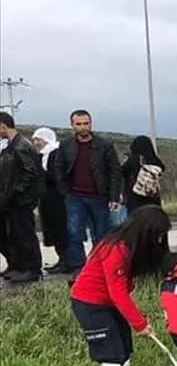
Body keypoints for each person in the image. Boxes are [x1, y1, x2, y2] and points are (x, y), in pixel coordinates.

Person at [69, 206, 172, 366]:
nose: (160, 239)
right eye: (158, 234)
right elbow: (117, 293)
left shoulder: (130, 248)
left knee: (123, 349)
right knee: (111, 355)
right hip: (90, 305)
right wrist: (140, 324)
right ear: (146, 231)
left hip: (107, 304)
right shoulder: (116, 248)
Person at [54, 110, 123, 276]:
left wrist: (114, 196)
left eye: (86, 123)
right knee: (74, 234)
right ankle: (79, 268)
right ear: (72, 125)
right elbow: (58, 167)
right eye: (79, 124)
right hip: (74, 197)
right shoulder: (66, 145)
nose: (83, 127)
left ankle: (99, 268)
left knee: (101, 235)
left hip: (99, 196)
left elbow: (115, 171)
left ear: (91, 124)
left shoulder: (104, 145)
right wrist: (64, 189)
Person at [0, 113, 46, 284]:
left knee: (25, 235)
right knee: (16, 235)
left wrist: (15, 191)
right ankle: (19, 266)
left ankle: (32, 269)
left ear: (3, 126)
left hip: (22, 200)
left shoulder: (21, 146)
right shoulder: (12, 146)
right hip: (13, 200)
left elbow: (29, 173)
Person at [31, 127, 69, 274]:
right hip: (46, 198)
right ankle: (61, 259)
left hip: (57, 198)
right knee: (51, 229)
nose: (36, 143)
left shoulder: (56, 153)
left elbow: (56, 175)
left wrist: (41, 174)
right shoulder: (41, 156)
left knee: (60, 229)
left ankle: (67, 260)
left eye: (38, 139)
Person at [120, 135, 165, 213]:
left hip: (136, 199)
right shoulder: (156, 161)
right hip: (153, 199)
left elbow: (122, 172)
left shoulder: (134, 159)